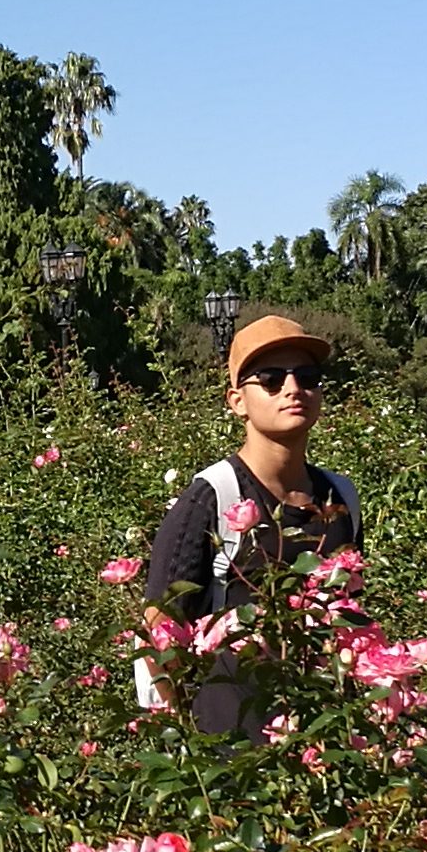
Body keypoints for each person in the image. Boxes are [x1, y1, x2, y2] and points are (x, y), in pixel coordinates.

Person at [145, 315, 364, 738]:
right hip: (234, 758)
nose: (293, 389)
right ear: (236, 401)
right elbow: (159, 632)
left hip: (327, 752)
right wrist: (194, 740)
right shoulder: (212, 497)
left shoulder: (341, 498)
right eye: (270, 378)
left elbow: (352, 617)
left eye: (308, 377)